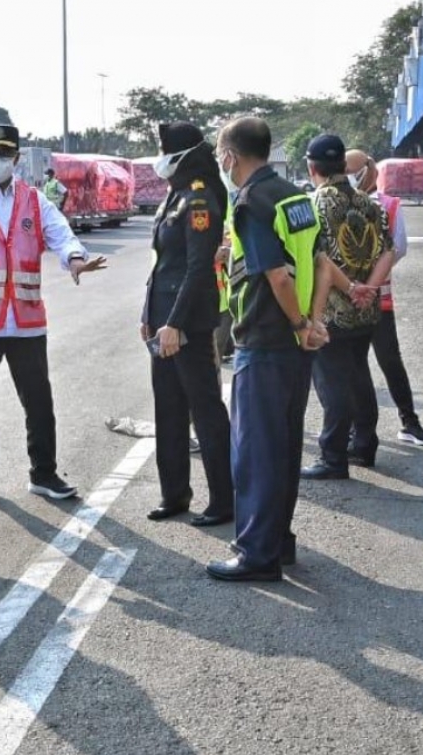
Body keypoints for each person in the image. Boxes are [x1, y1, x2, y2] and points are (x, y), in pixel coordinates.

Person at [0, 124, 106, 507]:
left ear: (16, 159)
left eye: (5, 154)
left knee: (39, 402)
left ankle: (43, 473)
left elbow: (60, 233)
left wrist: (75, 260)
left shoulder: (34, 200)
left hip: (26, 321)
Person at [205, 117, 325, 582]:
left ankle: (257, 553)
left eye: (220, 153)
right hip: (295, 345)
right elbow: (317, 260)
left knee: (255, 454)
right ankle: (280, 541)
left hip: (266, 340)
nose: (220, 161)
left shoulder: (251, 202)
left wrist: (297, 322)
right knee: (284, 449)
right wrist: (310, 324)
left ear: (232, 156)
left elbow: (277, 275)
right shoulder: (295, 195)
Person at [141, 122, 234, 527]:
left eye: (163, 150)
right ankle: (174, 494)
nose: (159, 158)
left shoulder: (199, 199)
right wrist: (148, 316)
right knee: (169, 408)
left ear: (182, 155)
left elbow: (198, 268)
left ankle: (224, 499)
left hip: (188, 324)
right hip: (163, 322)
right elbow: (163, 266)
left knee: (205, 410)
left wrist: (175, 324)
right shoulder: (174, 196)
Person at [301, 135, 396, 481]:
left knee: (332, 386)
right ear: (343, 165)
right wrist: (369, 289)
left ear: (312, 168)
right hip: (368, 309)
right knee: (358, 374)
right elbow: (388, 250)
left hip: (331, 310)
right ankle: (364, 445)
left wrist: (352, 289)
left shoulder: (313, 204)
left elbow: (320, 259)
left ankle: (333, 457)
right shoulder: (370, 203)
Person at [344, 149, 423, 448]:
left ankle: (408, 422)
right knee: (356, 366)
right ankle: (355, 427)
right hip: (362, 296)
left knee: (385, 361)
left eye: (350, 169)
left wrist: (362, 285)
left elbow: (397, 248)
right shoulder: (337, 202)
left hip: (364, 299)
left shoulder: (387, 204)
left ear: (365, 171)